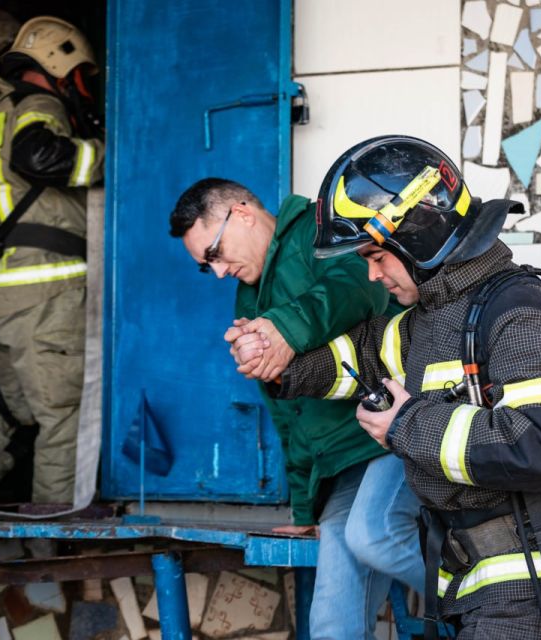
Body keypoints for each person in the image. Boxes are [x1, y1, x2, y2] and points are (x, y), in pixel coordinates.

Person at [255, 136, 541, 639]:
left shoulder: (519, 311)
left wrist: (406, 424)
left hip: (539, 601)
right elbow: (362, 356)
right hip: (484, 595)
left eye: (377, 257)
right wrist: (280, 364)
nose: (372, 275)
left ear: (417, 237)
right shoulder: (433, 320)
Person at [169, 178, 425, 639]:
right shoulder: (248, 298)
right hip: (341, 466)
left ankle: (501, 595)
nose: (220, 272)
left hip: (397, 437)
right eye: (208, 267)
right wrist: (304, 511)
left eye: (216, 253)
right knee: (332, 626)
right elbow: (289, 416)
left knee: (376, 537)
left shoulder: (319, 227)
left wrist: (284, 330)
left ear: (242, 213)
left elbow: (357, 290)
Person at [0, 16, 104, 504]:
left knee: (6, 408)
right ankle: (52, 536)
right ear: (58, 64)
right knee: (64, 417)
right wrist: (109, 155)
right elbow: (38, 156)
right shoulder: (39, 103)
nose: (81, 88)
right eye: (79, 76)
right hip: (46, 297)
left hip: (3, 297)